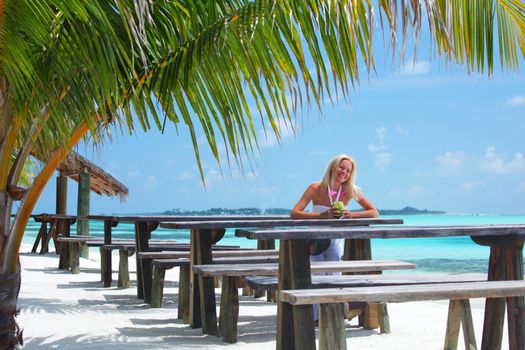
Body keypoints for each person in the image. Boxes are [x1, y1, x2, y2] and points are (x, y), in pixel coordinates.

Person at [290, 154, 379, 323]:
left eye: (348, 170)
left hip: (335, 240)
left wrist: (352, 214)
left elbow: (374, 212)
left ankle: (335, 315)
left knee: (335, 277)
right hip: (315, 240)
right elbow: (294, 213)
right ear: (332, 167)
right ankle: (316, 318)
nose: (343, 172)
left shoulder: (349, 191)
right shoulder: (315, 188)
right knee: (316, 277)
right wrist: (322, 216)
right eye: (341, 167)